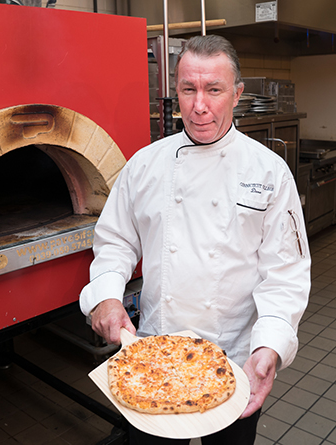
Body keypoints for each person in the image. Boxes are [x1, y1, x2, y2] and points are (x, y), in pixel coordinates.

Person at [79, 35, 311, 444]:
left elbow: (286, 275)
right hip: (153, 355)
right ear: (177, 92)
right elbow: (115, 240)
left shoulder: (270, 172)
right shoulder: (145, 165)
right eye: (189, 89)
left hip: (235, 361)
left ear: (237, 94)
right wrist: (106, 296)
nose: (199, 105)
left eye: (214, 90)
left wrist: (270, 346)